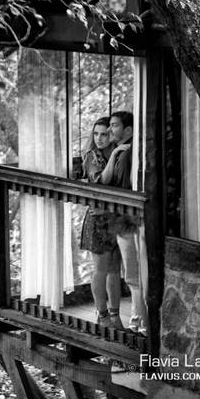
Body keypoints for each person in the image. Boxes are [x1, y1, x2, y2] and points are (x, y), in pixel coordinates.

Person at [99, 111, 148, 334]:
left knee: (133, 274)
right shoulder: (121, 151)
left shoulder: (126, 155)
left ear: (128, 130)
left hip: (128, 219)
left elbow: (121, 186)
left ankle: (140, 320)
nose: (110, 130)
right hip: (128, 218)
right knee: (133, 273)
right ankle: (139, 319)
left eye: (114, 126)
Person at [79, 117, 123, 329]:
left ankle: (115, 315)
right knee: (101, 269)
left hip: (116, 218)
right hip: (98, 219)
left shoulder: (119, 152)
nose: (99, 138)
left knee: (115, 269)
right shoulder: (92, 156)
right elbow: (103, 181)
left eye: (104, 134)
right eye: (96, 134)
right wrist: (114, 153)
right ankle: (102, 314)